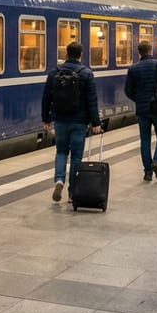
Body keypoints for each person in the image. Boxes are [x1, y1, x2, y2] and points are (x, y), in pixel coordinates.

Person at [41, 42, 103, 202]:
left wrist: (46, 119)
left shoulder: (54, 72)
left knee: (61, 151)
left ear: (66, 54)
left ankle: (59, 179)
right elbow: (92, 100)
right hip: (79, 121)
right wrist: (96, 123)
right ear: (80, 54)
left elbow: (46, 98)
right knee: (76, 157)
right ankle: (72, 193)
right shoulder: (86, 73)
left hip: (60, 120)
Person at [124, 40, 157, 182]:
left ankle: (147, 172)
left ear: (139, 52)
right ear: (151, 50)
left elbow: (128, 90)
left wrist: (139, 100)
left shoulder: (133, 69)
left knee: (145, 140)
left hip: (142, 110)